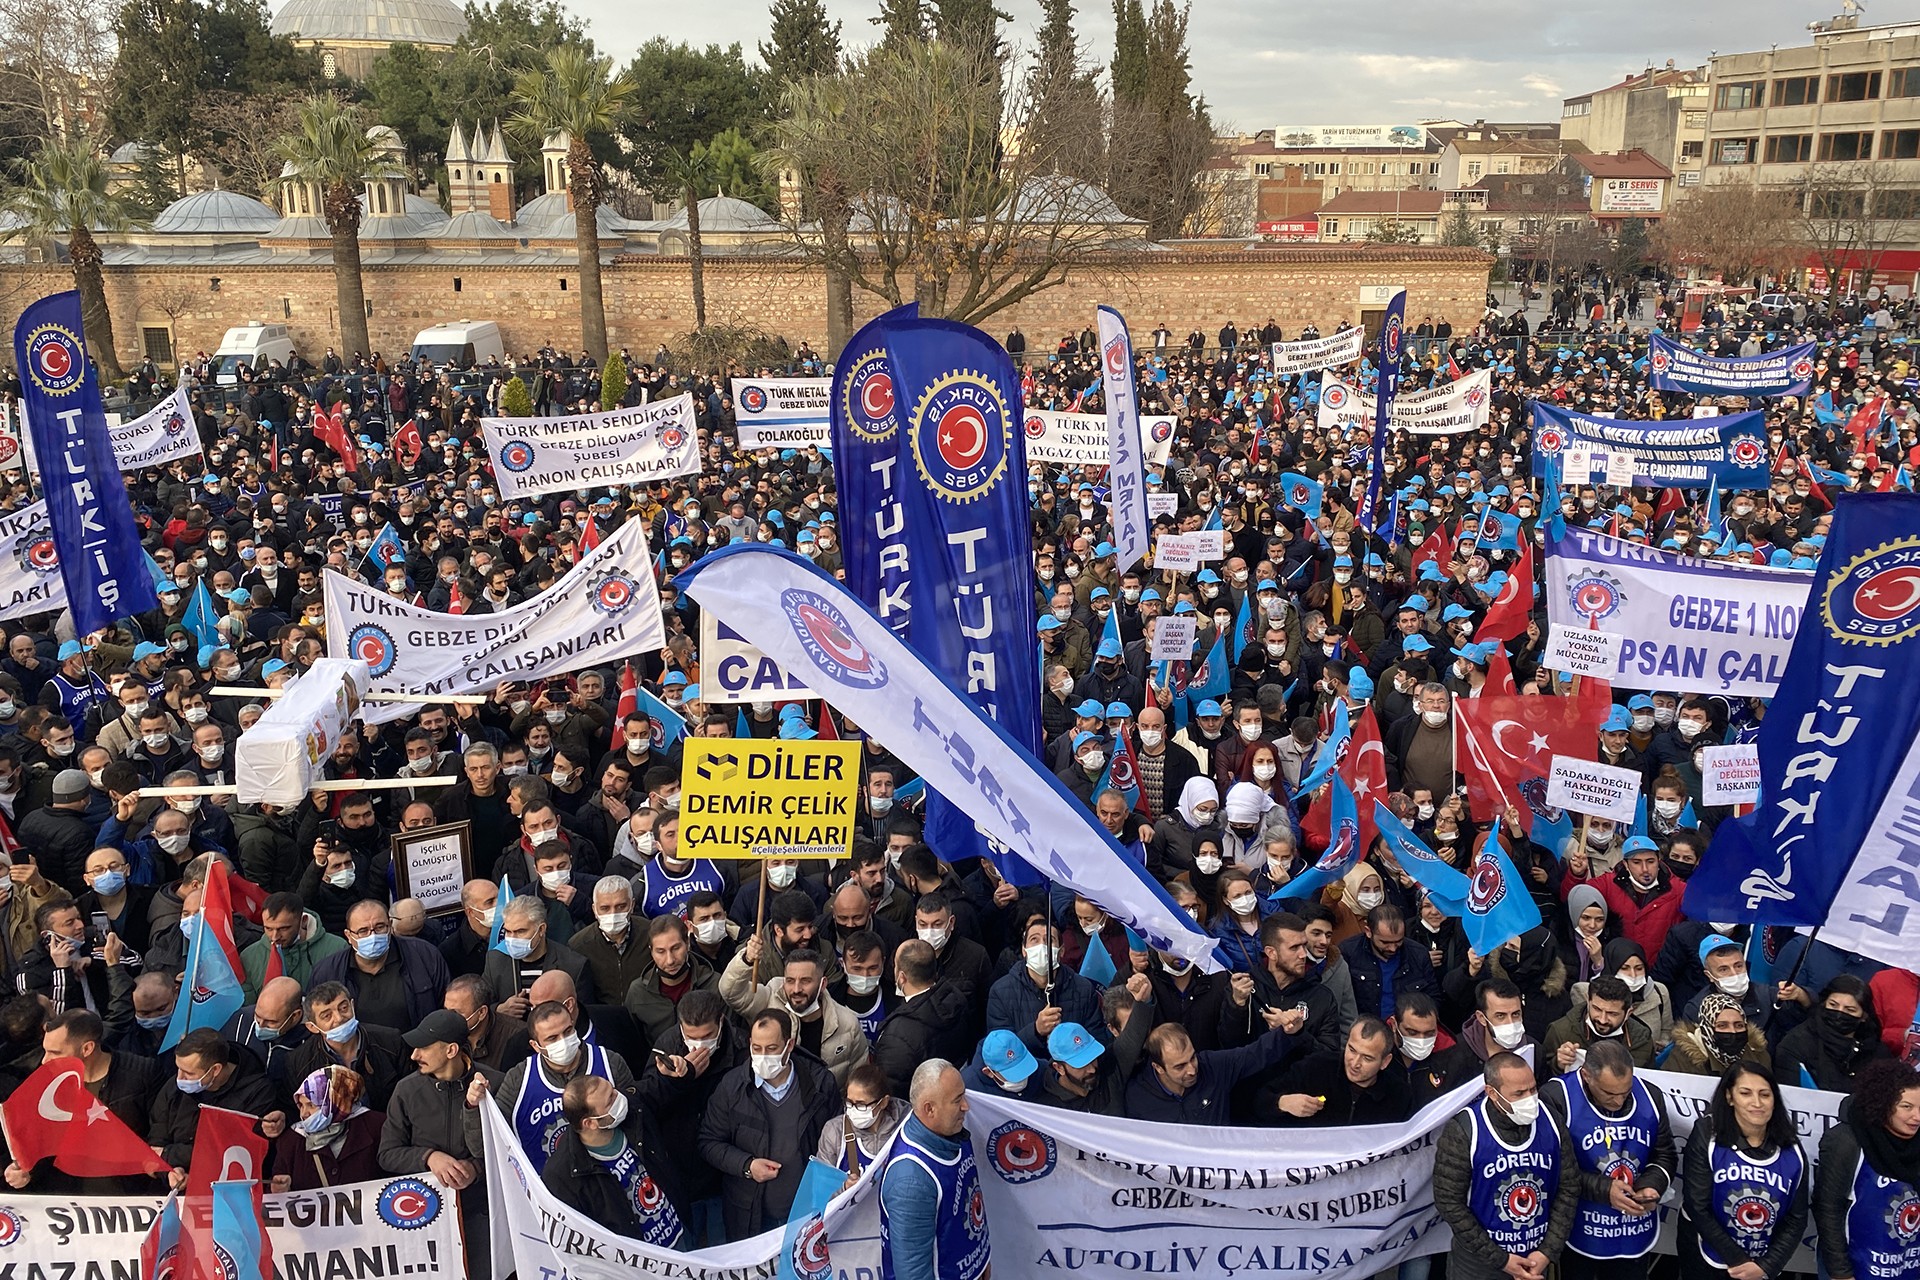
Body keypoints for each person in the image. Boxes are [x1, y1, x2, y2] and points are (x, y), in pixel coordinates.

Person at [696, 1008, 842, 1240]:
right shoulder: (731, 1087)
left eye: (772, 1049)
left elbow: (838, 1143)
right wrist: (746, 1165)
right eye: (757, 1048)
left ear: (789, 1045)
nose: (763, 1056)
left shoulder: (820, 1085)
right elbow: (708, 1142)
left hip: (808, 1213)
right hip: (749, 1216)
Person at [1432, 1051, 1579, 1280]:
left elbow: (1569, 1187)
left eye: (1532, 1089)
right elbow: (1449, 1202)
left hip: (1537, 1258)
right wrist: (1501, 1260)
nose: (1530, 1098)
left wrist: (1547, 1251)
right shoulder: (1465, 1129)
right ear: (1492, 1093)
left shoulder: (1551, 1120)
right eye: (1519, 1093)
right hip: (1479, 1266)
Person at [1538, 1038, 1676, 1280]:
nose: (1618, 1101)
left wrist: (1652, 1186)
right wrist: (1604, 1189)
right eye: (1609, 1093)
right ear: (1587, 1075)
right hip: (1579, 1227)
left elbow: (1665, 1153)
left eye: (1626, 1091)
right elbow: (1551, 1169)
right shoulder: (1557, 1096)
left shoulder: (1650, 1095)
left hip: (1634, 1228)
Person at [381, 1009, 501, 1280]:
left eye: (423, 1047)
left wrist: (475, 1169)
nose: (414, 1055)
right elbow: (387, 1154)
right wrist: (428, 1157)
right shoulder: (406, 1090)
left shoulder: (496, 1083)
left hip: (481, 1215)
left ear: (451, 1050)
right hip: (422, 1219)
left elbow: (509, 1153)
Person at [1677, 1061, 1808, 1280]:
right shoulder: (1707, 1134)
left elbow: (1797, 1218)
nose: (1757, 1103)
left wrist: (1767, 1265)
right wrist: (1740, 1261)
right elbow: (1697, 1206)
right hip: (1707, 1258)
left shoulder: (1792, 1149)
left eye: (1765, 1095)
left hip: (1762, 1263)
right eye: (1745, 1093)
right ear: (1729, 1097)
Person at [542, 1073, 686, 1250]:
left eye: (613, 1090)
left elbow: (658, 1089)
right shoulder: (562, 1174)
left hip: (679, 1234)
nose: (619, 1097)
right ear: (590, 1123)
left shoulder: (634, 1112)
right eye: (610, 1100)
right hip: (642, 1262)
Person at [879, 1059, 991, 1280]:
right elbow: (913, 1273)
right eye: (957, 1100)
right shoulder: (910, 1181)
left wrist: (982, 1262)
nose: (966, 1106)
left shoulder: (952, 1132)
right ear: (929, 1109)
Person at [1815, 1058, 1920, 1280]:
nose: (1917, 1117)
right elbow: (1828, 1209)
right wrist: (1840, 1273)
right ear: (1883, 1104)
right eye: (1906, 1107)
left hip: (1908, 1264)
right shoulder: (1846, 1141)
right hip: (1854, 1266)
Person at [269, 1065, 386, 1190]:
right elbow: (277, 1184)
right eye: (301, 1105)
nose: (304, 1114)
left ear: (335, 1100)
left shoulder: (377, 1126)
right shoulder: (291, 1140)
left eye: (311, 1105)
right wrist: (280, 1189)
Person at [815, 1061, 909, 1179]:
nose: (853, 1110)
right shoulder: (835, 1131)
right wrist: (843, 1188)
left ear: (883, 1102)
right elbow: (821, 1186)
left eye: (861, 1105)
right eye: (849, 1103)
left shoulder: (906, 1128)